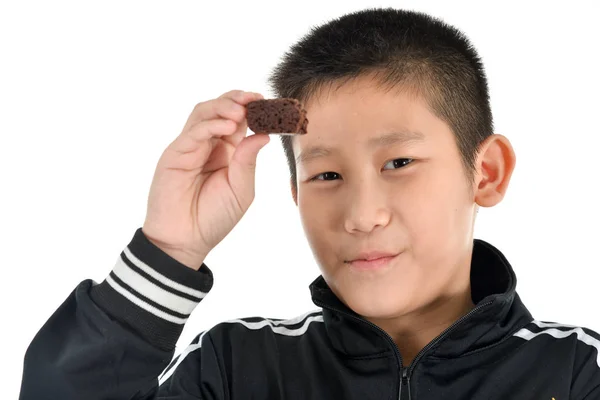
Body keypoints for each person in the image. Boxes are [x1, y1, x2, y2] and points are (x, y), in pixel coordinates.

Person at [18, 7, 600, 400]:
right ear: (292, 192)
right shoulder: (235, 368)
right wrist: (168, 250)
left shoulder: (578, 374)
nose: (361, 214)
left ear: (486, 173)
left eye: (398, 164)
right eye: (325, 174)